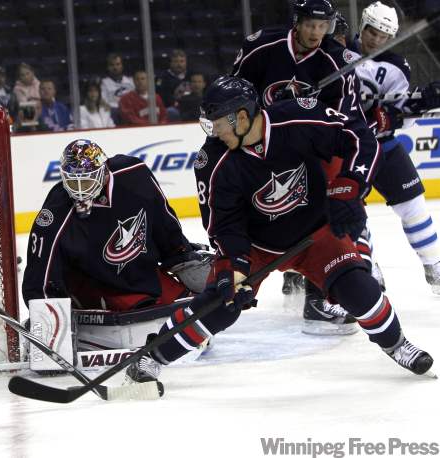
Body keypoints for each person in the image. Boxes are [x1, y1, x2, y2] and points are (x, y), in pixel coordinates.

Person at [125, 76, 434, 390]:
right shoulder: (213, 161)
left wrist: (349, 189)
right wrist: (236, 270)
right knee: (221, 305)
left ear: (242, 117)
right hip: (257, 247)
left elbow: (359, 139)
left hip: (316, 233)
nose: (214, 131)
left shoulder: (297, 119)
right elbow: (224, 225)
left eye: (218, 123)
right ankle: (152, 356)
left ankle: (397, 345)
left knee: (358, 288)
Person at [231, 0, 365, 333]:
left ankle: (318, 298)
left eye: (323, 27)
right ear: (297, 22)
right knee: (263, 213)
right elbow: (234, 97)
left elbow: (347, 124)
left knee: (324, 214)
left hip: (315, 151)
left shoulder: (338, 61)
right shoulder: (262, 47)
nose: (316, 33)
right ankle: (232, 287)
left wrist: (310, 112)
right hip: (264, 145)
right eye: (310, 25)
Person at [22, 139, 212, 365]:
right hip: (95, 284)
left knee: (195, 303)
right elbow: (39, 273)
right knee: (141, 308)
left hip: (141, 273)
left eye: (87, 179)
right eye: (73, 181)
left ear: (104, 170)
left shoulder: (135, 174)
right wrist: (48, 320)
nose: (80, 190)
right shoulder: (56, 211)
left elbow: (164, 221)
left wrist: (181, 255)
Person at [347, 1, 440, 294]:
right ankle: (366, 268)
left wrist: (418, 104)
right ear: (362, 26)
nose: (376, 40)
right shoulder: (337, 55)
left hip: (383, 147)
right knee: (350, 211)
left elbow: (398, 115)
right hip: (346, 149)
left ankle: (435, 264)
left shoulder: (398, 66)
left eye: (383, 36)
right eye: (372, 32)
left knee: (413, 206)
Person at [155, 49, 189, 121]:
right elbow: (163, 97)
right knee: (171, 112)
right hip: (173, 107)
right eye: (176, 61)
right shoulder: (163, 78)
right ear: (170, 63)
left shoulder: (192, 75)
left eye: (182, 61)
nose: (179, 64)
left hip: (190, 105)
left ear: (186, 62)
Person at [100, 53, 134, 122]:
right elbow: (103, 104)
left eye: (118, 64)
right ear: (107, 67)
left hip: (131, 114)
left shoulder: (131, 81)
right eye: (112, 65)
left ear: (122, 66)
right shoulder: (103, 83)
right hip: (114, 116)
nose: (115, 67)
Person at [12, 62, 41, 130]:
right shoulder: (17, 89)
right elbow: (25, 105)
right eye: (22, 75)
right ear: (19, 77)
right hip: (26, 115)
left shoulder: (39, 84)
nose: (26, 77)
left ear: (33, 73)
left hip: (41, 113)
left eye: (28, 73)